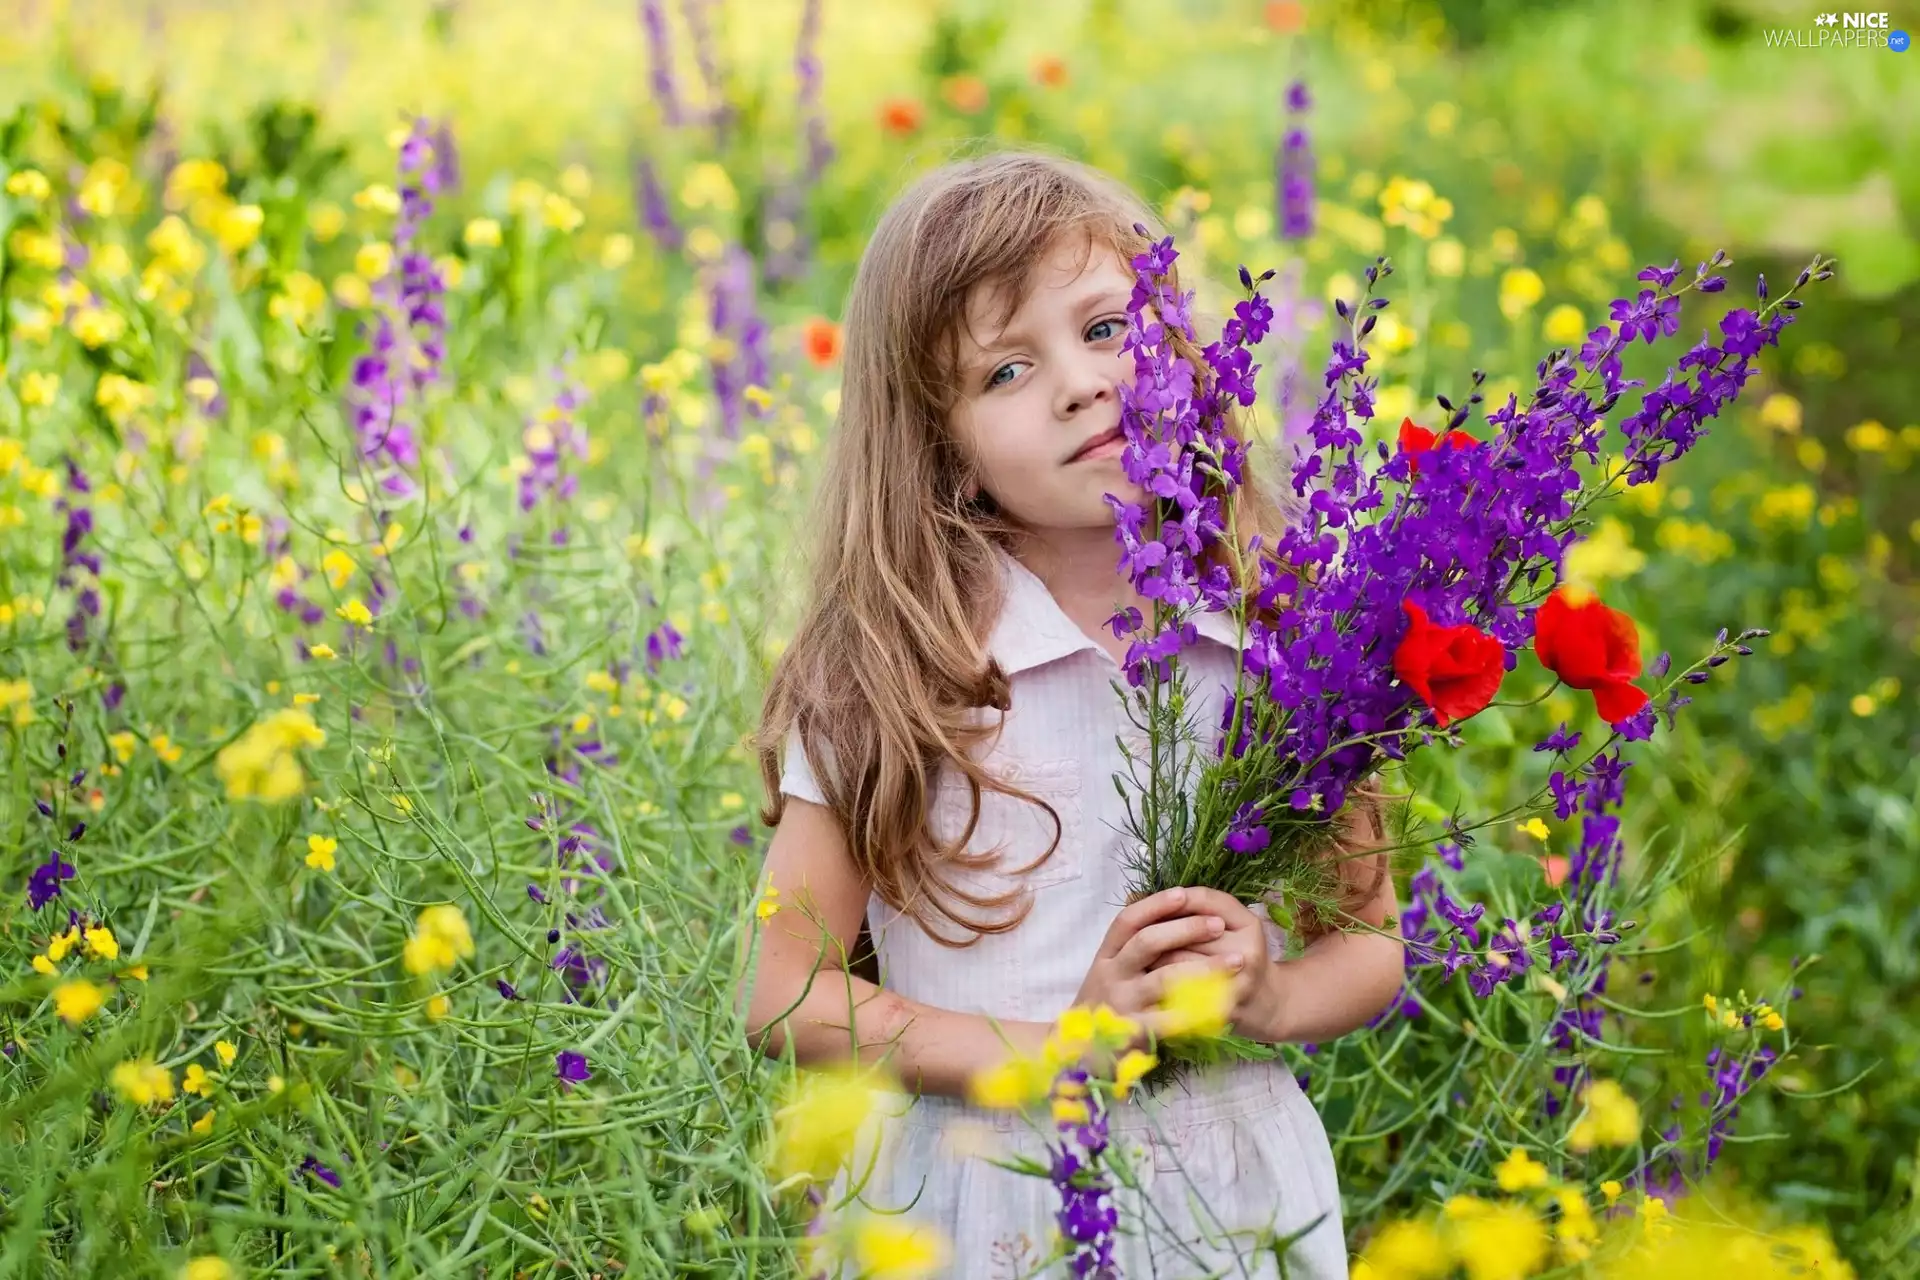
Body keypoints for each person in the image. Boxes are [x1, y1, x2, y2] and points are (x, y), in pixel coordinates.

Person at [743, 147, 1405, 1278]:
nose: (1082, 382)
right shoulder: (892, 672)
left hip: (1231, 1192)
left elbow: (1373, 942)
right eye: (1005, 371)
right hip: (971, 1194)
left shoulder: (1277, 638)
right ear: (937, 450)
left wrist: (1272, 990)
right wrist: (1049, 1051)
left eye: (1105, 329)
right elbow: (782, 993)